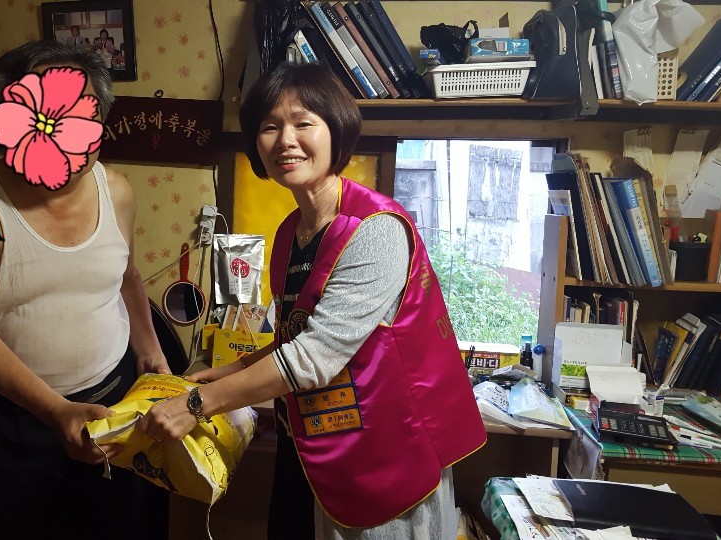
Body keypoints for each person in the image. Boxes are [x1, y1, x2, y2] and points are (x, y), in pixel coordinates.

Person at [139, 62, 486, 539]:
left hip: (380, 449)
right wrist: (235, 370)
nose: (286, 140)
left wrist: (197, 404)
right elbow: (299, 333)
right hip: (309, 441)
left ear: (335, 129)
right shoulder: (291, 232)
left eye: (303, 123)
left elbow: (314, 355)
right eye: (269, 127)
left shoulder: (376, 230)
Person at [0, 40, 170, 537]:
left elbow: (126, 275)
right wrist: (56, 410)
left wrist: (149, 348)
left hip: (112, 403)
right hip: (14, 421)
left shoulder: (118, 190)